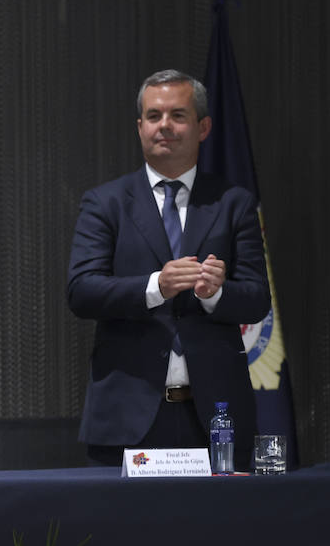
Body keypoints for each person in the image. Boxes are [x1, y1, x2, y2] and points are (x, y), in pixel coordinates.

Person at [67, 70, 269, 469]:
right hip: (129, 416)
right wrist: (155, 286)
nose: (165, 126)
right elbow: (81, 291)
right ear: (140, 126)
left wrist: (216, 295)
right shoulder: (105, 203)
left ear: (203, 126)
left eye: (178, 115)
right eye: (154, 116)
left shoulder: (233, 203)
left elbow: (257, 298)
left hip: (216, 416)